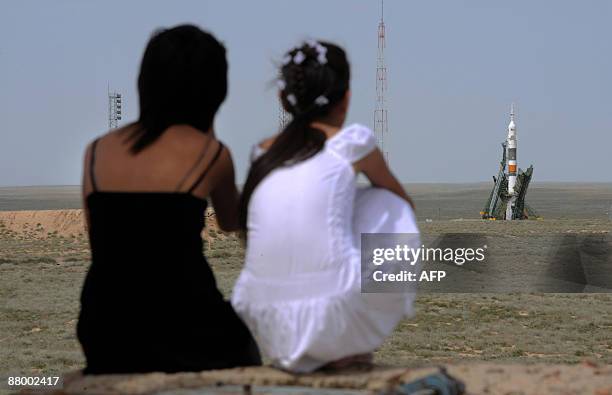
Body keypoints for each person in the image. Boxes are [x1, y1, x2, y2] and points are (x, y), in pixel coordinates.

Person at [77, 25, 261, 374]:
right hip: (185, 320)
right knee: (245, 352)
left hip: (105, 327)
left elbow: (98, 241)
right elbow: (230, 222)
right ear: (213, 90)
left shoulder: (95, 152)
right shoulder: (212, 153)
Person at [232, 41, 420, 373]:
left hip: (263, 314)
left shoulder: (261, 153)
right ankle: (344, 345)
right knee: (384, 203)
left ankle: (309, 348)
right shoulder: (351, 142)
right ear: (345, 98)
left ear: (283, 98)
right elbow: (402, 202)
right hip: (335, 309)